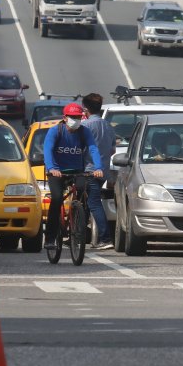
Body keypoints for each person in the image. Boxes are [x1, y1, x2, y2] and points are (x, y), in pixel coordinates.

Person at [42, 103, 103, 251]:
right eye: (73, 117)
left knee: (83, 191)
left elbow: (93, 148)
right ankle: (50, 237)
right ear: (65, 118)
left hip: (77, 170)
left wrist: (98, 167)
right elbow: (48, 150)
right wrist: (52, 168)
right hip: (57, 171)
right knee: (56, 198)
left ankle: (78, 221)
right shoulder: (55, 131)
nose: (76, 120)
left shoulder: (84, 132)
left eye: (78, 117)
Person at [80, 93, 115, 249]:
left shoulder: (86, 126)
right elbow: (112, 149)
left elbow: (79, 148)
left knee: (93, 202)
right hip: (103, 171)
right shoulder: (107, 125)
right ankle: (80, 236)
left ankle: (105, 238)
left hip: (89, 170)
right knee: (85, 203)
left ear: (85, 109)